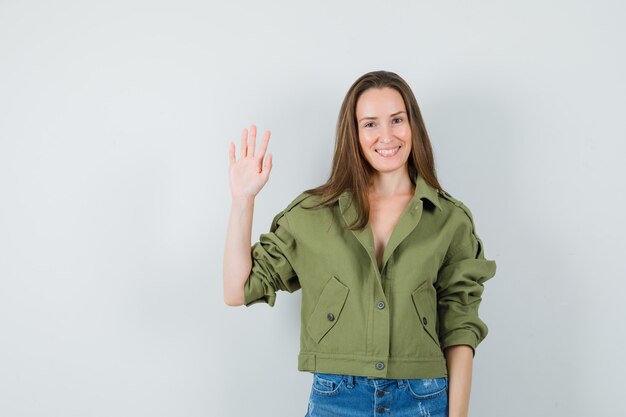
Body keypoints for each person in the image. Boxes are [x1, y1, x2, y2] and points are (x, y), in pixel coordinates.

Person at [223, 70, 497, 417]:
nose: (386, 135)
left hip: (422, 399)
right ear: (353, 133)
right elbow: (237, 289)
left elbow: (460, 328)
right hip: (337, 399)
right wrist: (242, 200)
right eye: (370, 124)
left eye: (397, 120)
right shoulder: (313, 214)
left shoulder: (450, 219)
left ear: (413, 126)